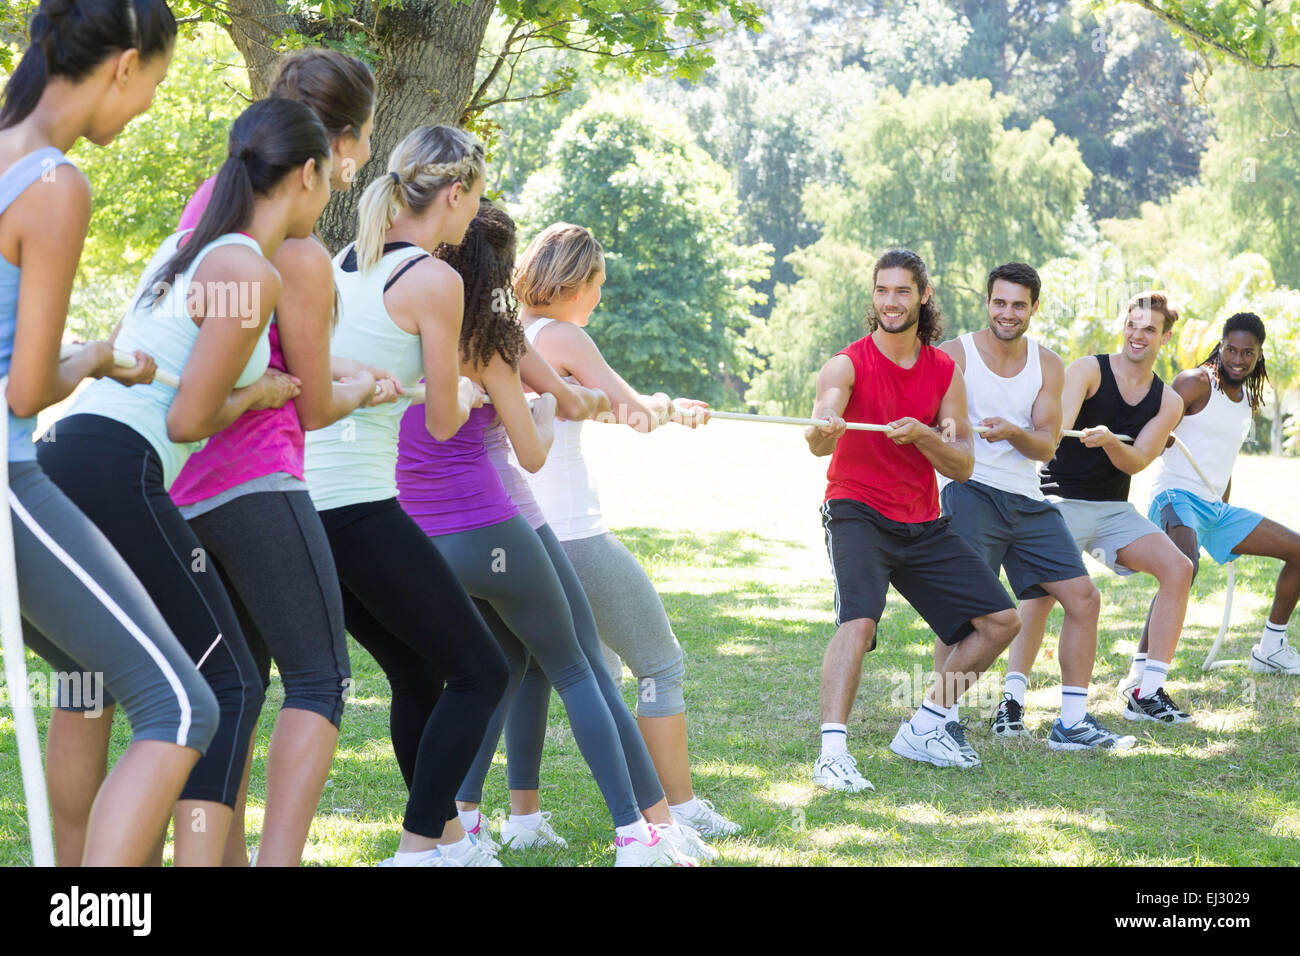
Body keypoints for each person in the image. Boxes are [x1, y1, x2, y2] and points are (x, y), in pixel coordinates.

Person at [36, 96, 329, 865]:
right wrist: (261, 395)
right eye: (331, 179)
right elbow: (188, 420)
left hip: (64, 452)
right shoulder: (245, 269)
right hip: (113, 462)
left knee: (89, 680)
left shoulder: (188, 248)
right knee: (225, 682)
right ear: (306, 174)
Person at [397, 200, 701, 865]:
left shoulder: (405, 323)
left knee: (489, 673)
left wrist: (564, 400)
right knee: (581, 665)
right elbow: (535, 447)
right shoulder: (495, 334)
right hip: (501, 523)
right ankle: (640, 832)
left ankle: (461, 827)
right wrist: (547, 409)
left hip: (420, 541)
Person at [0, 0, 221, 867]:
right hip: (11, 484)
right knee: (180, 705)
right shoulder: (53, 185)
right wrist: (96, 357)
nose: (149, 108)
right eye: (156, 85)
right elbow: (26, 389)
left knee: (87, 680)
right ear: (124, 64)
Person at [167, 48, 396, 868]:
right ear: (332, 147)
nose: (363, 159)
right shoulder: (297, 247)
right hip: (253, 477)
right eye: (364, 140)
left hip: (180, 486)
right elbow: (305, 398)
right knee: (319, 681)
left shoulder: (212, 200)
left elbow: (229, 344)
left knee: (233, 691)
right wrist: (365, 389)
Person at [304, 124, 510, 867]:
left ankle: (448, 841)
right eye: (472, 203)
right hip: (358, 505)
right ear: (453, 195)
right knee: (483, 670)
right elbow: (446, 420)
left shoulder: (342, 260)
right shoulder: (434, 280)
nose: (468, 222)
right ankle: (421, 849)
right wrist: (457, 389)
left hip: (309, 509)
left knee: (416, 669)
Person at [510, 221, 742, 841]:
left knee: (537, 671)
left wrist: (666, 405)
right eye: (598, 285)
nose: (601, 299)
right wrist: (660, 409)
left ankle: (522, 819)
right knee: (660, 664)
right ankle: (680, 807)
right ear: (575, 281)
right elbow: (633, 411)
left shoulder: (517, 333)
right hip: (575, 535)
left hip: (523, 534)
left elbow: (600, 406)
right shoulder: (562, 334)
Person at [805, 248, 1020, 791]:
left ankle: (925, 727)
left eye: (902, 291)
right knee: (859, 621)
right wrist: (824, 426)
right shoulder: (847, 363)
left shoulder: (943, 370)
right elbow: (815, 437)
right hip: (856, 508)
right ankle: (832, 752)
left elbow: (963, 464)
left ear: (923, 296)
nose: (890, 301)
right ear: (873, 296)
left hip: (922, 519)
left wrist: (925, 435)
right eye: (882, 290)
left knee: (1001, 622)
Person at [939, 263, 1131, 750]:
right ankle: (940, 719)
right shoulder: (955, 354)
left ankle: (1071, 724)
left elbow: (1046, 447)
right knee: (964, 612)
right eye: (999, 302)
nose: (1008, 313)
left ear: (1033, 308)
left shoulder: (1047, 364)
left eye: (1018, 305)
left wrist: (1015, 432)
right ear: (987, 302)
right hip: (971, 490)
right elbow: (932, 423)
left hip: (1028, 500)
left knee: (1084, 599)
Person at [1008, 292, 1194, 724]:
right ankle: (1011, 699)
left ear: (1164, 337)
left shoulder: (1168, 401)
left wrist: (1110, 440)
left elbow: (1138, 459)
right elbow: (1053, 436)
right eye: (1132, 324)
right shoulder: (1088, 370)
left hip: (1113, 510)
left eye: (1149, 329)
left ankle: (1147, 691)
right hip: (1060, 499)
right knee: (1042, 591)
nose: (1137, 335)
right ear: (1123, 325)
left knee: (1179, 568)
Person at [1138, 312, 1300, 677]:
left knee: (1298, 550)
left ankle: (1271, 648)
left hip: (1214, 507)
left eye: (1248, 352)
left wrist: (1222, 512)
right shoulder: (1195, 383)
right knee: (1182, 568)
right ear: (1220, 345)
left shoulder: (1247, 399)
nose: (1238, 359)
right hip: (1174, 495)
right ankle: (1140, 676)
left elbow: (1222, 463)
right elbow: (1153, 433)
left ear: (1259, 354)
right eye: (1231, 349)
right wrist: (1158, 437)